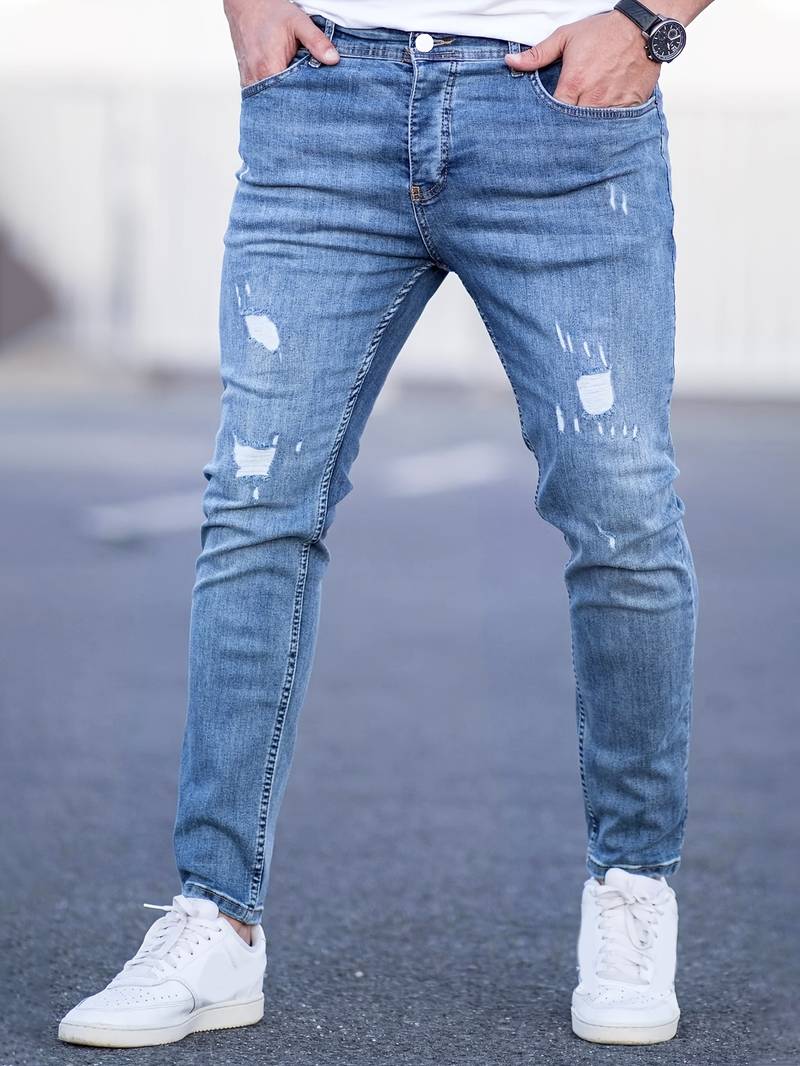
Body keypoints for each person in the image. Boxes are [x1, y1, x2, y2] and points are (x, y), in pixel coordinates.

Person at [59, 0, 712, 1049]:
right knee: (255, 505)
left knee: (621, 509)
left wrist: (651, 22)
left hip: (562, 114)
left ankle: (632, 886)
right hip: (326, 100)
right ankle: (215, 913)